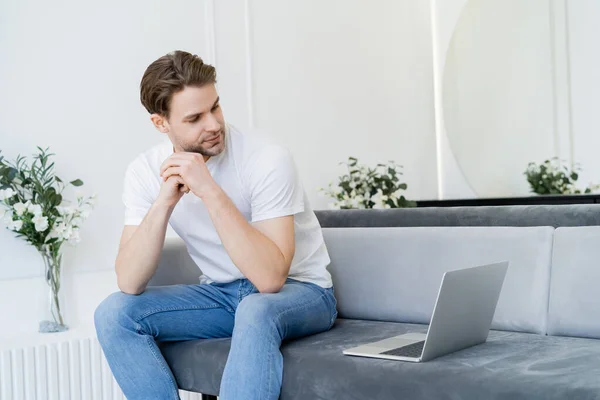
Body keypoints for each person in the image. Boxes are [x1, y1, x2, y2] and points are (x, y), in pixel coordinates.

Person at [93, 50, 337, 400]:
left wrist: (209, 190)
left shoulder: (266, 158)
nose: (213, 124)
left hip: (303, 293)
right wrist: (164, 202)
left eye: (215, 107)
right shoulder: (144, 171)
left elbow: (270, 279)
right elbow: (129, 282)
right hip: (223, 296)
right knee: (114, 313)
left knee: (255, 307)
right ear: (161, 123)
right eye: (194, 118)